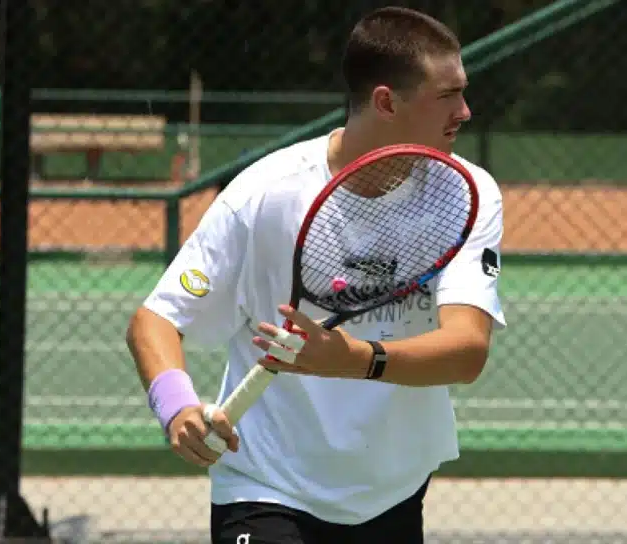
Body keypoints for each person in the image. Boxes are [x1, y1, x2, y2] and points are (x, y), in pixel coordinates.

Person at [125, 6, 506, 543]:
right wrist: (178, 408)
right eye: (448, 96)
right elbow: (154, 321)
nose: (465, 111)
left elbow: (467, 350)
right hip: (265, 487)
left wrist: (355, 359)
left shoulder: (464, 192)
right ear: (386, 102)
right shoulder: (265, 195)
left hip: (391, 490)